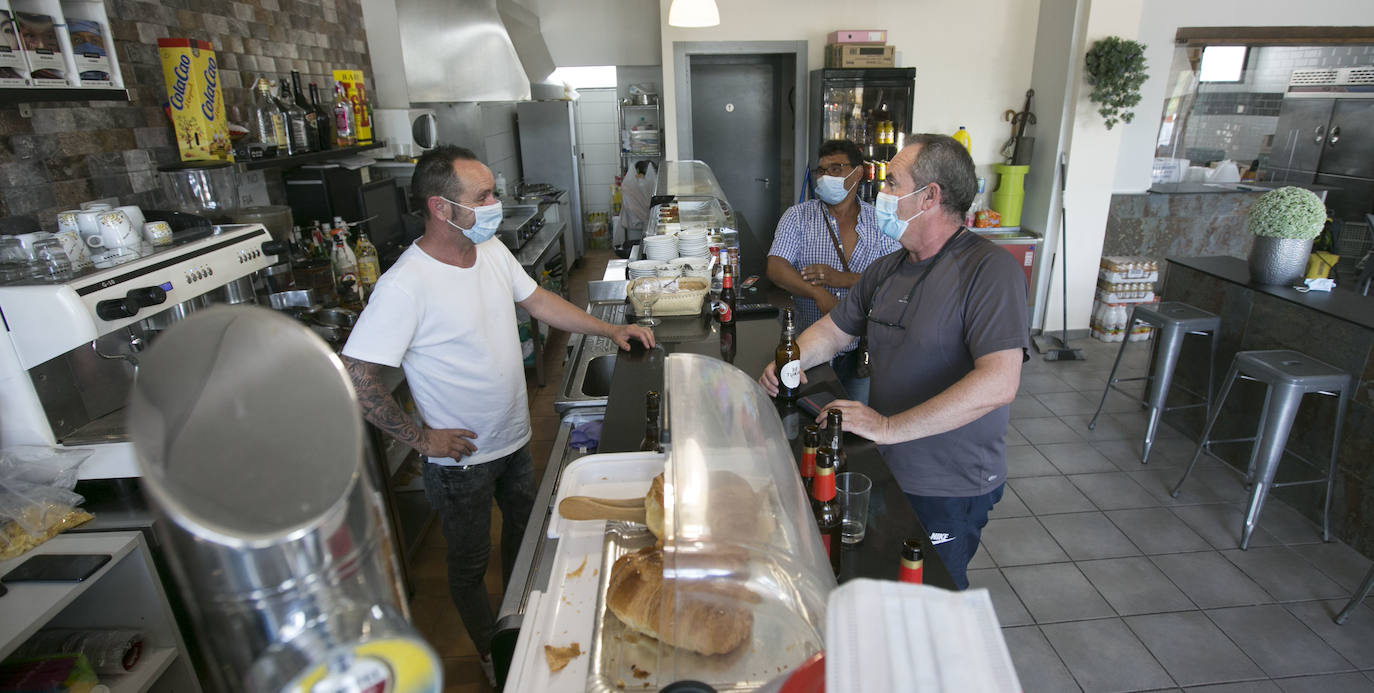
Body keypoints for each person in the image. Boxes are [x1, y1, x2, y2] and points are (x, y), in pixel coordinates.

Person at [341, 145, 654, 682]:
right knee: (467, 563)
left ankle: (517, 623)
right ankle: (493, 653)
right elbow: (357, 376)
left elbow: (540, 303)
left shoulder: (490, 253)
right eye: (483, 196)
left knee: (522, 532)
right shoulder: (405, 284)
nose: (495, 204)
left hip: (513, 438)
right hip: (460, 459)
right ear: (442, 208)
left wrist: (611, 330)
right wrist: (421, 439)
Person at [758, 134, 1027, 589]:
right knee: (884, 588)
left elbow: (1000, 382)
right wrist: (792, 359)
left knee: (931, 600)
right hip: (888, 467)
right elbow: (834, 330)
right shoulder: (890, 268)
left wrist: (887, 427)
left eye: (892, 184)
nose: (879, 194)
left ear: (930, 196)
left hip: (948, 484)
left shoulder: (990, 271)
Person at [766, 139, 900, 403]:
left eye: (836, 169)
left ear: (857, 173)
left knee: (853, 422)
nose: (826, 177)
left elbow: (895, 279)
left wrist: (843, 279)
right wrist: (817, 293)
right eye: (821, 170)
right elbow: (776, 266)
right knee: (809, 414)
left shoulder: (880, 222)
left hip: (861, 349)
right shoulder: (798, 217)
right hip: (811, 345)